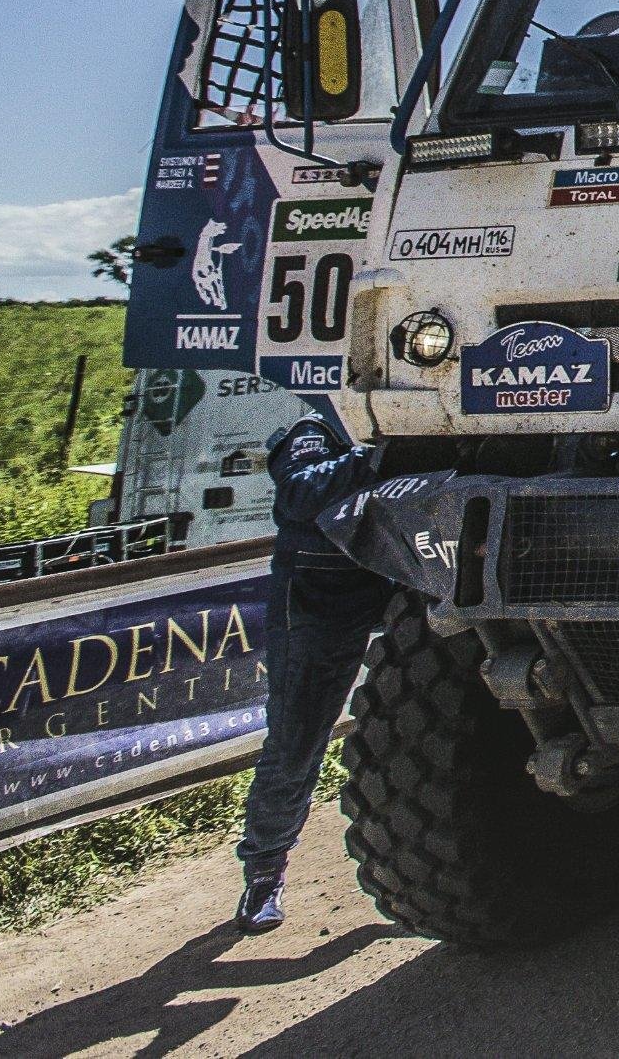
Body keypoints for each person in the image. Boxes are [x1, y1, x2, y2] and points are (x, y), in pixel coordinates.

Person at [232, 398, 389, 934]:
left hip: (394, 587)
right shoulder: (314, 430)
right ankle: (264, 874)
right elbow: (299, 492)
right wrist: (375, 455)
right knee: (296, 742)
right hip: (316, 605)